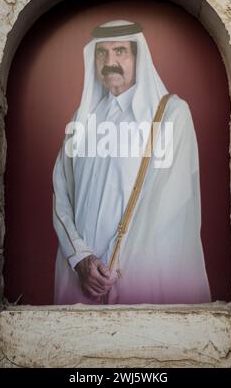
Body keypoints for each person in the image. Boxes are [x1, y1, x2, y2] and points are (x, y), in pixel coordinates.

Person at [52, 20, 211, 305]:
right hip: (82, 279)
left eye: (121, 51)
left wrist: (114, 267)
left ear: (139, 57)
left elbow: (168, 207)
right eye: (102, 53)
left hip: (140, 280)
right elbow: (60, 193)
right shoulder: (82, 118)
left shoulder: (171, 115)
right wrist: (81, 257)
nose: (110, 61)